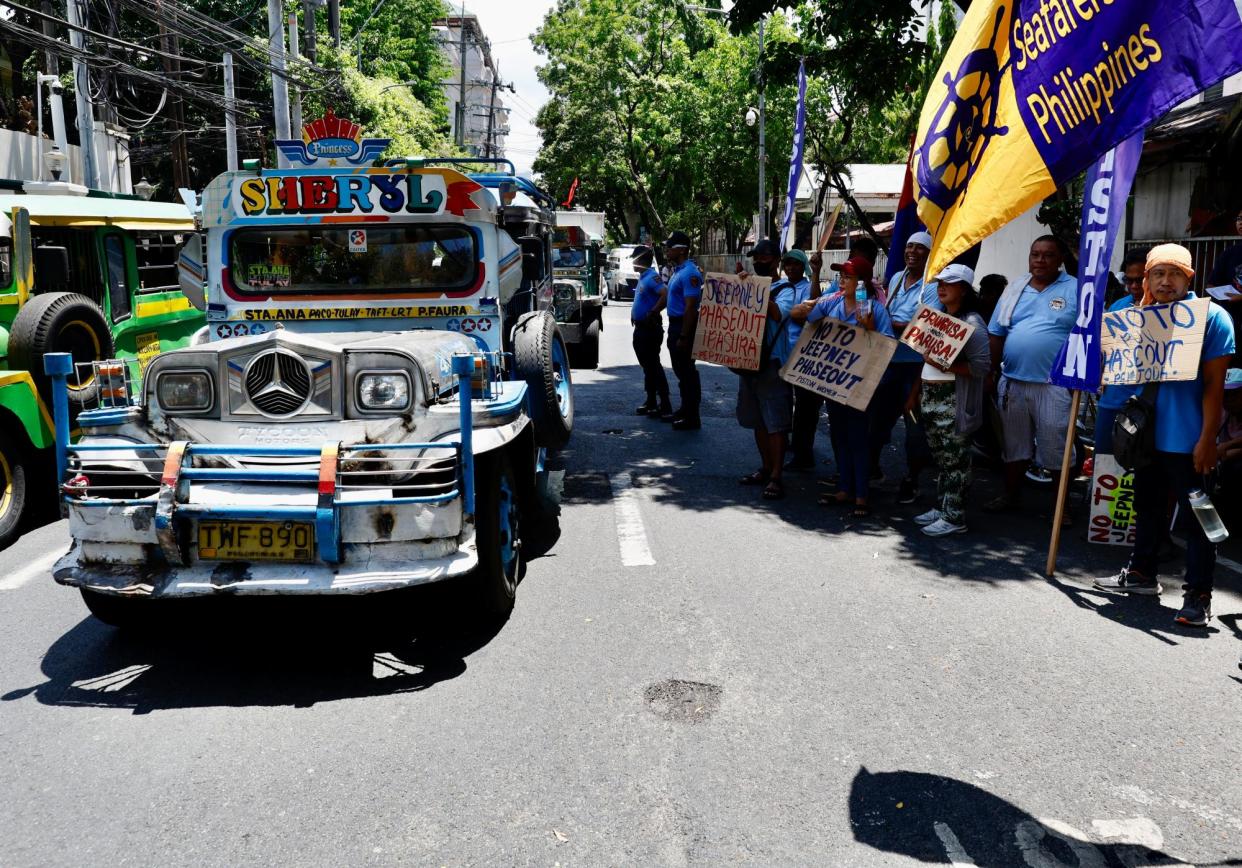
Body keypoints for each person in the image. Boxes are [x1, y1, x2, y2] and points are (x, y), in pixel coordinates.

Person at [1095, 244, 1236, 627]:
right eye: (1157, 273)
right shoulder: (1132, 317)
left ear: (1189, 278)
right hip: (1147, 436)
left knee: (1200, 517)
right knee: (1147, 505)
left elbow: (1214, 386)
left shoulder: (1212, 319)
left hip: (1190, 440)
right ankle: (1141, 573)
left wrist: (1208, 439)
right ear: (1146, 279)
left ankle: (1198, 594)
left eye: (1174, 273)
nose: (1165, 281)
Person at [791, 255, 894, 517]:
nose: (842, 280)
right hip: (834, 383)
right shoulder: (834, 302)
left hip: (860, 386)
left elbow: (885, 346)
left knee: (858, 439)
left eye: (848, 277)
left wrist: (868, 324)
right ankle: (845, 488)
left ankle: (861, 495)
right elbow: (809, 317)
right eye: (842, 276)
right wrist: (804, 308)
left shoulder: (876, 309)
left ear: (861, 282)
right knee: (839, 436)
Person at [985, 235, 1078, 514]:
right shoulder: (1016, 288)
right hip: (1013, 381)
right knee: (1014, 447)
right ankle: (1011, 496)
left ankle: (1061, 507)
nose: (1040, 260)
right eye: (1035, 254)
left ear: (1060, 259)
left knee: (1056, 449)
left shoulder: (1076, 289)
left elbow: (1090, 336)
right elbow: (996, 333)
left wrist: (1080, 379)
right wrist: (991, 371)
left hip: (1055, 384)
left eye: (1048, 255)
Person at [906, 265, 991, 536]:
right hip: (932, 396)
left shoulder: (974, 325)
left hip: (954, 399)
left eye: (949, 283)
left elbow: (981, 368)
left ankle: (955, 517)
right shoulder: (937, 316)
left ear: (964, 289)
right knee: (942, 458)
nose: (942, 287)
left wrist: (944, 365)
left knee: (955, 460)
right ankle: (943, 506)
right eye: (940, 282)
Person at [736, 248, 807, 500]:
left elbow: (777, 313)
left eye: (765, 257)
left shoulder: (786, 290)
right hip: (747, 362)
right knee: (758, 421)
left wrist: (753, 289)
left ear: (776, 261)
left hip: (772, 363)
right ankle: (765, 468)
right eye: (756, 258)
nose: (759, 262)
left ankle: (776, 476)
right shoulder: (749, 284)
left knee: (776, 423)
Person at [873, 230, 938, 503]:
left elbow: (926, 327)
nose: (912, 251)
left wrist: (888, 323)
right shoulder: (898, 278)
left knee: (914, 427)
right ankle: (872, 470)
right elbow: (890, 314)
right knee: (877, 417)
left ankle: (912, 479)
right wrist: (894, 323)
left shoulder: (933, 285)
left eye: (919, 248)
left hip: (916, 366)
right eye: (909, 246)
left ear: (930, 254)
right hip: (889, 360)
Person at [1093, 248, 1148, 456]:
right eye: (1128, 280)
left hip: (1147, 405)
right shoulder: (1118, 306)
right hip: (1112, 399)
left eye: (1140, 279)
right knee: (1105, 459)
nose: (1134, 286)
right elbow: (1104, 348)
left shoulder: (1167, 310)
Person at [663, 230, 703, 430]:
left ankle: (692, 416)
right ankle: (685, 409)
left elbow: (691, 308)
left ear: (682, 250)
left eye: (670, 247)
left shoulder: (690, 273)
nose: (667, 250)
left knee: (687, 372)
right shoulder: (678, 271)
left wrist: (685, 335)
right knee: (681, 371)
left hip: (683, 325)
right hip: (675, 324)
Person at [629, 245, 671, 418]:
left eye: (634, 259)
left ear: (641, 260)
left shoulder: (652, 276)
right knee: (647, 366)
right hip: (641, 327)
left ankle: (665, 403)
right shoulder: (644, 276)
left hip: (650, 328)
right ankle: (651, 400)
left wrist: (653, 312)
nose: (632, 263)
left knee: (653, 365)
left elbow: (665, 294)